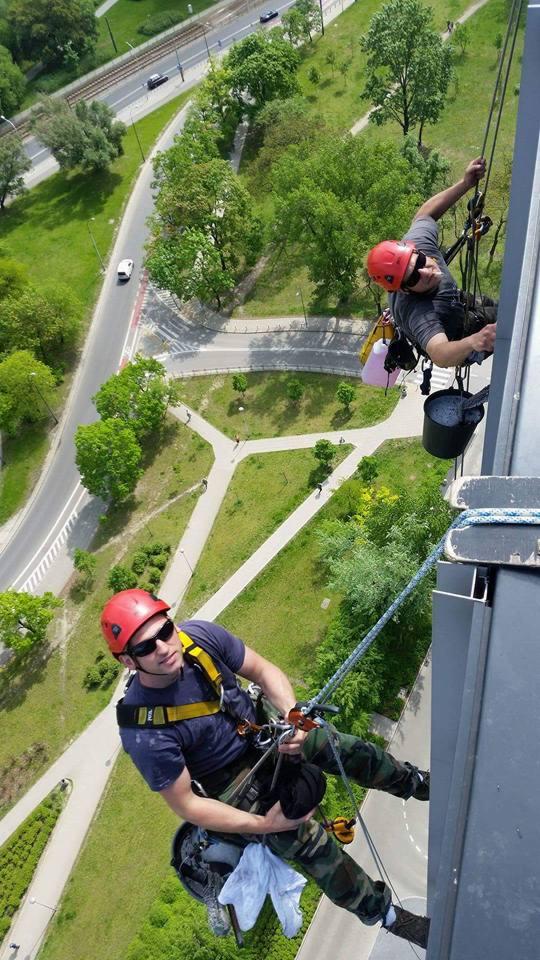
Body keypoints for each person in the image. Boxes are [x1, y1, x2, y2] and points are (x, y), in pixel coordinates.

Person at [101, 590, 431, 949]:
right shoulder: (144, 731)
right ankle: (390, 917)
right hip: (233, 784)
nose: (164, 647)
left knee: (334, 745)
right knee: (306, 843)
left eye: (165, 631)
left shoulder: (198, 639)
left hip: (263, 731)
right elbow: (187, 805)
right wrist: (263, 825)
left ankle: (413, 782)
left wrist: (293, 717)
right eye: (146, 647)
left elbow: (261, 670)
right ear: (128, 661)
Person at [366, 157, 497, 368]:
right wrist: (474, 342)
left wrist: (465, 184)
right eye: (414, 277)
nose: (425, 271)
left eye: (419, 262)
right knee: (509, 323)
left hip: (458, 301)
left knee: (498, 306)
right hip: (456, 336)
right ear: (406, 290)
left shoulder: (418, 245)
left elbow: (423, 215)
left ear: (416, 250)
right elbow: (440, 354)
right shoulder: (419, 311)